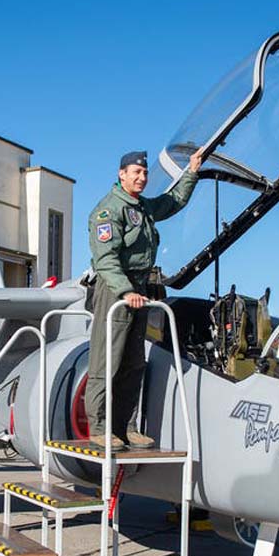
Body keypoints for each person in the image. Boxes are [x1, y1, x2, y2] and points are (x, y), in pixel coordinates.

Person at [86, 149, 204, 450]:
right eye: (135, 172)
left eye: (144, 173)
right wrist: (126, 292)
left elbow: (173, 202)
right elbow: (106, 259)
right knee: (106, 360)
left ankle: (125, 427)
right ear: (121, 174)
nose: (141, 177)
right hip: (115, 290)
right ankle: (99, 427)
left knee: (134, 362)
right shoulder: (109, 211)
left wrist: (191, 172)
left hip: (139, 292)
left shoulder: (142, 208)